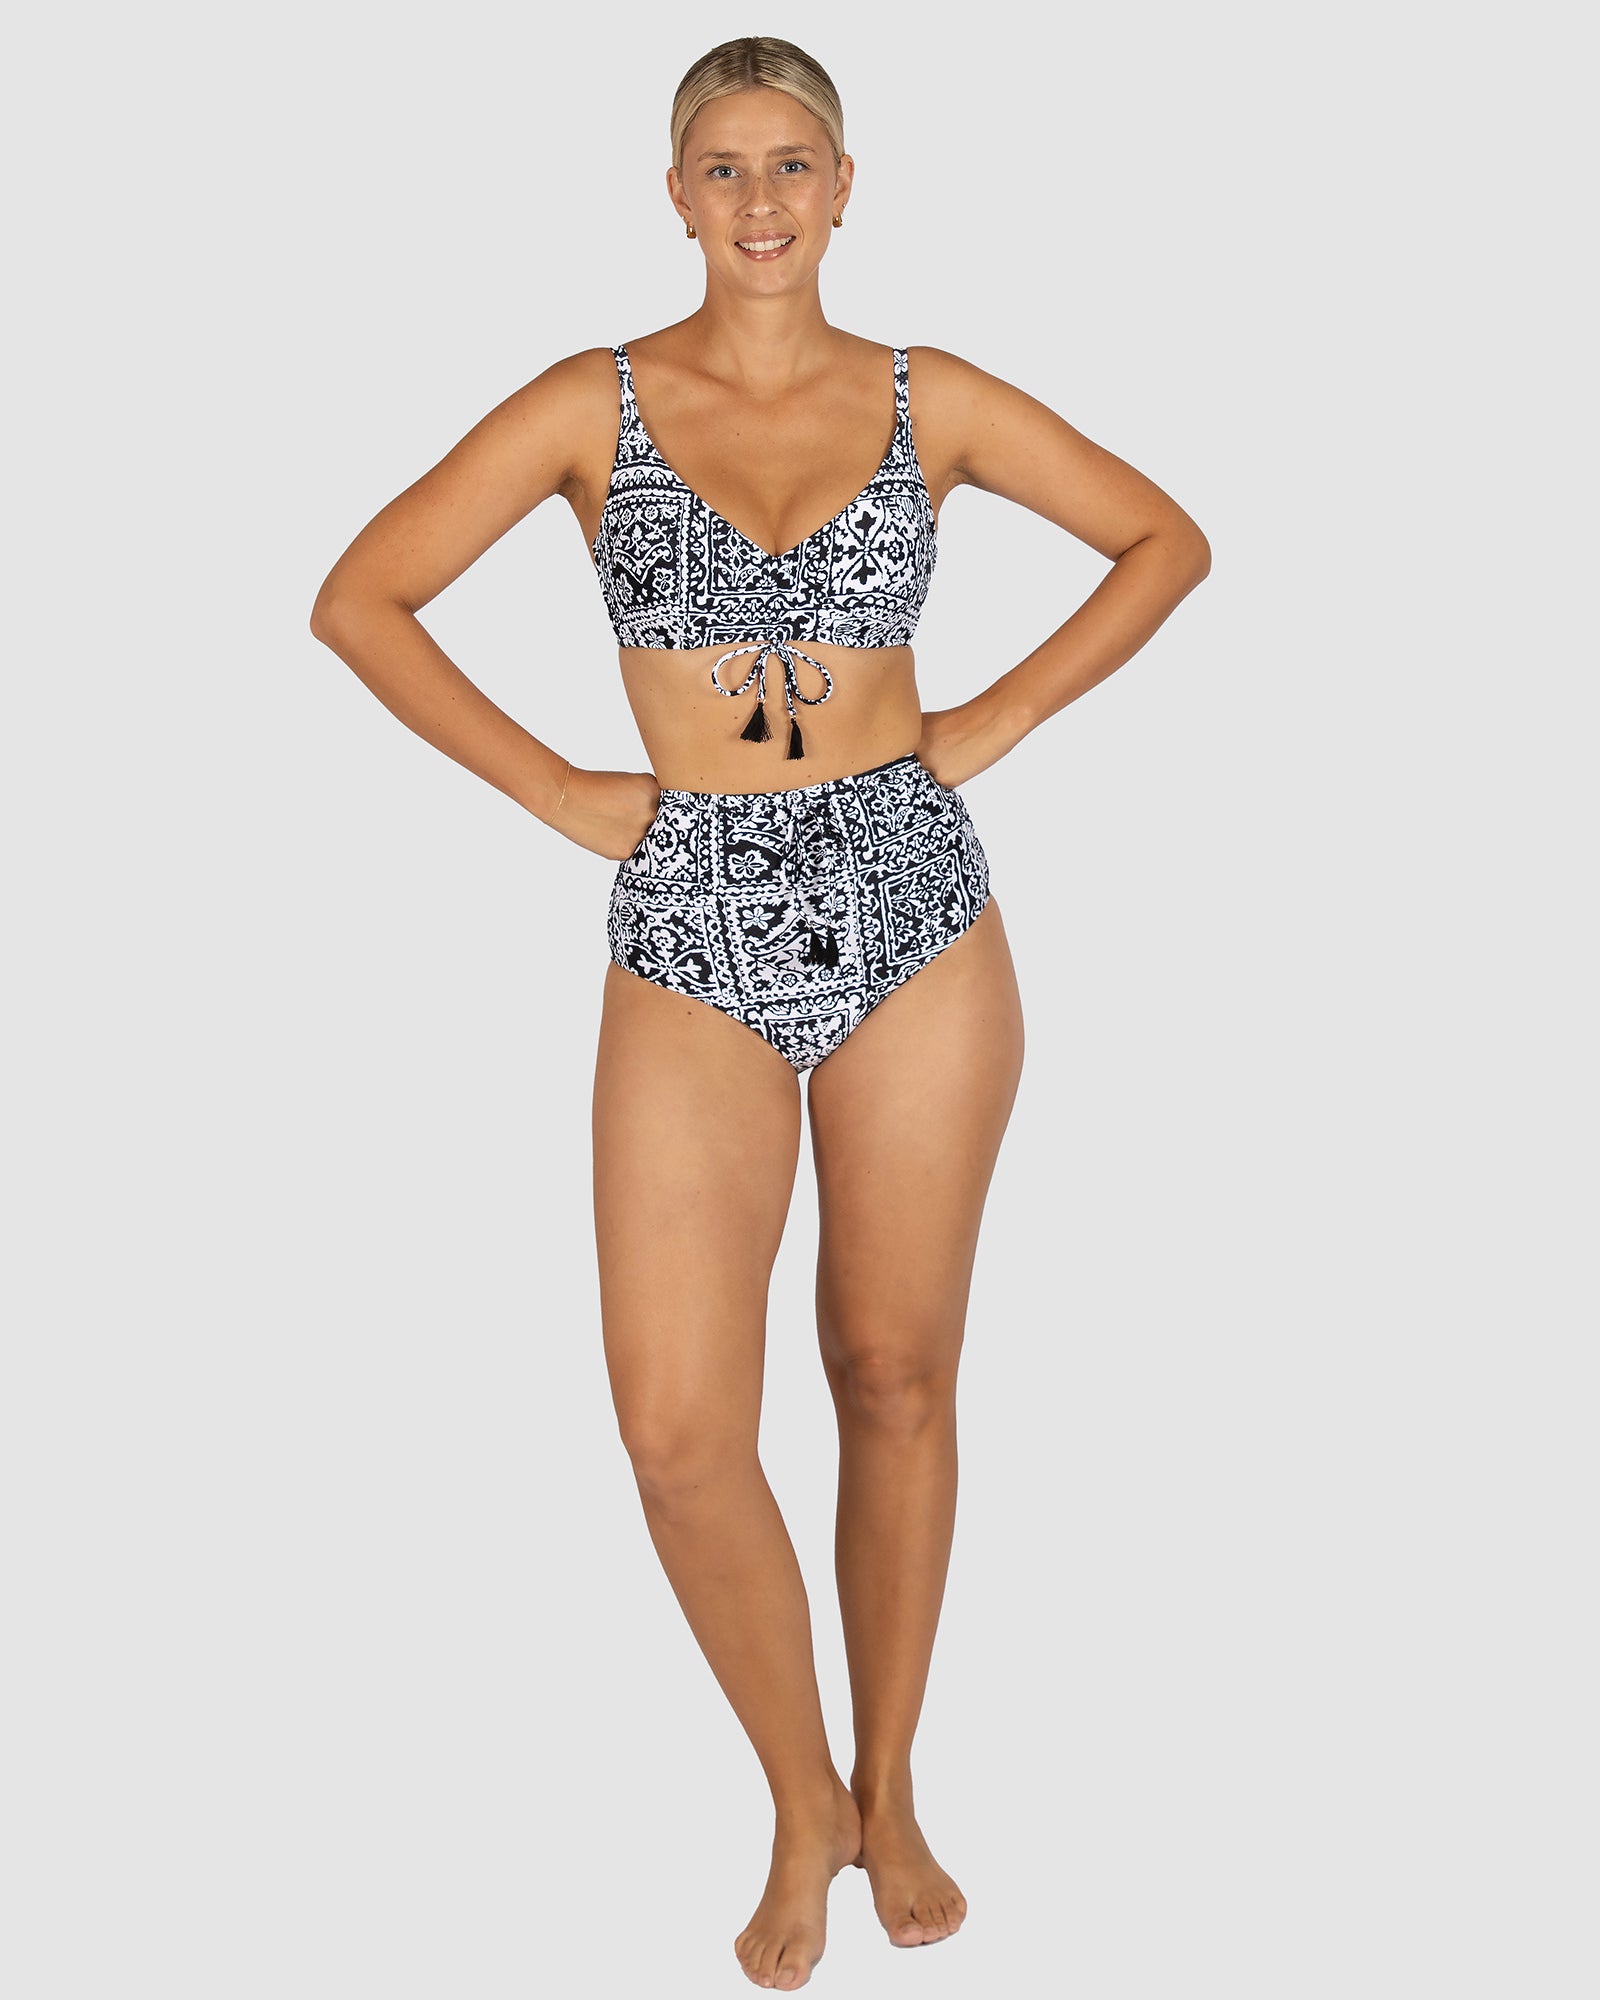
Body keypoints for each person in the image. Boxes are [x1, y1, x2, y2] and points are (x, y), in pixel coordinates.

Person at [310, 33, 1210, 1992]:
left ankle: (892, 1781)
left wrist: (995, 717)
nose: (758, 199)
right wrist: (560, 789)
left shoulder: (928, 396)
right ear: (673, 196)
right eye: (720, 167)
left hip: (911, 905)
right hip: (688, 915)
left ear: (845, 184)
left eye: (790, 162)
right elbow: (361, 596)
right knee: (674, 1426)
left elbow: (1166, 539)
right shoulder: (594, 402)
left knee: (893, 1370)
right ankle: (799, 1792)